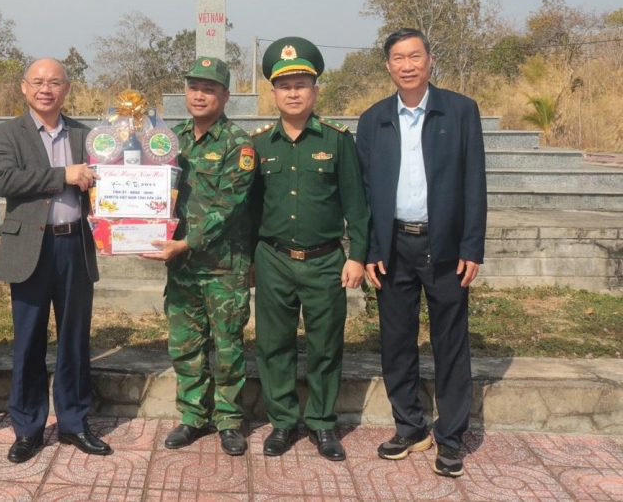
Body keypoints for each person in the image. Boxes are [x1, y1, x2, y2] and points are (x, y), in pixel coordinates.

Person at [357, 27, 487, 478]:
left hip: (446, 246)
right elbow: (367, 193)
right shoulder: (373, 120)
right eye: (398, 57)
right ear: (388, 66)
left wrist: (472, 245)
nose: (407, 65)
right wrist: (371, 247)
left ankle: (450, 438)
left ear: (430, 60)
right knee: (396, 341)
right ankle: (409, 426)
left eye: (415, 56)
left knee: (450, 342)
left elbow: (474, 183)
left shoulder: (461, 111)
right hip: (394, 246)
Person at [248, 38, 369, 462]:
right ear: (274, 93)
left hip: (324, 261)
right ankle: (282, 421)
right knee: (273, 344)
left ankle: (321, 423)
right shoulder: (260, 144)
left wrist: (357, 256)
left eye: (302, 83)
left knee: (325, 345)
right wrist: (249, 262)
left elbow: (356, 203)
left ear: (315, 90)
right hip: (274, 259)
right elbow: (250, 209)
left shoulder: (336, 141)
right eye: (285, 86)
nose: (294, 92)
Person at [0, 57, 109, 463]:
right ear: (24, 87)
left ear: (66, 89)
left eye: (54, 82)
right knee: (28, 341)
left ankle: (74, 422)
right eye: (38, 82)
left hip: (74, 245)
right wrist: (63, 174)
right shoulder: (6, 134)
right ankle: (28, 427)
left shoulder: (87, 135)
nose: (46, 89)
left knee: (74, 339)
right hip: (29, 250)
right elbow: (4, 180)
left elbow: (104, 185)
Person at [141, 56, 255, 457]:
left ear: (225, 95)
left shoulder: (238, 145)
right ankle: (192, 417)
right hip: (182, 267)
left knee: (227, 348)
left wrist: (185, 244)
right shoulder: (169, 142)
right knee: (185, 346)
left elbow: (229, 206)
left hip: (224, 267)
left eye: (209, 89)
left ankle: (228, 420)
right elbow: (146, 189)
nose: (200, 95)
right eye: (194, 87)